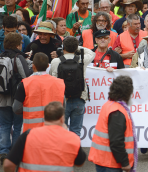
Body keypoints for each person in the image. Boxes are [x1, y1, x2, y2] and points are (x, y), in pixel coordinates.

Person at [3, 102, 86, 172]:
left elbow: (8, 165)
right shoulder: (72, 138)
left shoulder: (28, 135)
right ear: (62, 119)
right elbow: (80, 162)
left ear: (44, 117)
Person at [89, 76, 137, 172]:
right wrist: (125, 162)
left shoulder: (109, 105)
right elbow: (116, 141)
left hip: (104, 161)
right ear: (127, 93)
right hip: (110, 163)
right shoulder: (117, 111)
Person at [50, 37, 95, 136]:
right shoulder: (81, 60)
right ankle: (74, 151)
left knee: (61, 131)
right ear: (76, 48)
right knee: (76, 131)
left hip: (61, 99)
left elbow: (52, 78)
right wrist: (76, 47)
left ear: (63, 47)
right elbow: (92, 53)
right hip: (79, 98)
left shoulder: (56, 61)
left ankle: (62, 151)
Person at [0, 32, 32, 165]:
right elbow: (26, 76)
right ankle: (15, 152)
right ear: (17, 44)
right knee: (18, 126)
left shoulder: (1, 57)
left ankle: (4, 151)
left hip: (2, 98)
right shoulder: (18, 57)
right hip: (16, 98)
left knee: (4, 125)